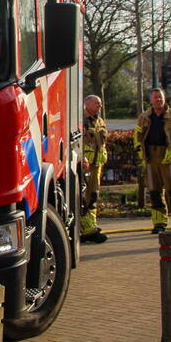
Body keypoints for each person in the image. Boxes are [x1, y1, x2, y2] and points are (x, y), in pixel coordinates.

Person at [133, 88, 171, 234]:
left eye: (160, 97)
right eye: (155, 97)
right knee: (154, 193)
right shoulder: (144, 117)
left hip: (169, 158)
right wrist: (139, 148)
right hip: (151, 158)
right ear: (151, 100)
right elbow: (137, 135)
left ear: (165, 99)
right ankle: (159, 224)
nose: (158, 100)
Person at [80, 95, 108, 244]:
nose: (100, 106)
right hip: (85, 166)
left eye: (101, 104)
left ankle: (90, 227)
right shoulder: (80, 120)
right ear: (87, 103)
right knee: (83, 198)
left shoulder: (99, 121)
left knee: (93, 197)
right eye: (97, 103)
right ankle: (86, 229)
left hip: (96, 165)